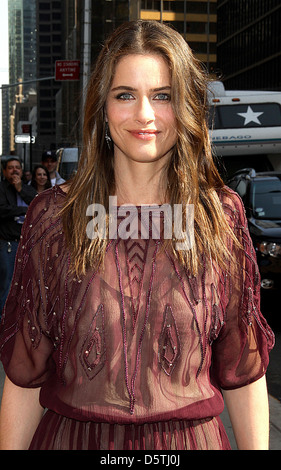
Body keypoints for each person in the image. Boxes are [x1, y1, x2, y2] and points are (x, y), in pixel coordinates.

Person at [0, 20, 275, 451]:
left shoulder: (219, 216)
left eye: (162, 96)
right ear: (103, 107)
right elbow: (26, 374)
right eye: (125, 95)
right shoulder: (54, 217)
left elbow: (242, 372)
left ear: (184, 107)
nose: (144, 114)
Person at [0, 157, 37, 314]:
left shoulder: (27, 188)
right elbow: (2, 210)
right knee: (7, 285)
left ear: (22, 171)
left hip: (28, 244)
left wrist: (20, 189)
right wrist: (23, 211)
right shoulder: (1, 188)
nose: (14, 170)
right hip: (8, 244)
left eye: (17, 168)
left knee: (27, 284)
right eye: (10, 168)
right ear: (4, 171)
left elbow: (37, 204)